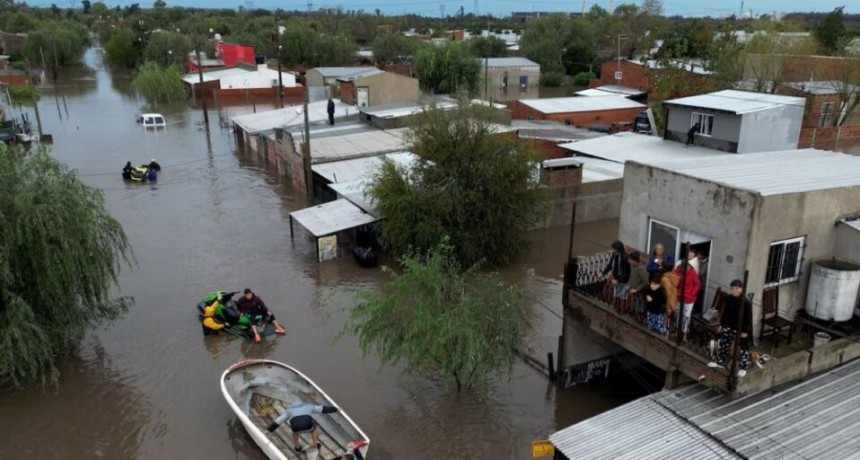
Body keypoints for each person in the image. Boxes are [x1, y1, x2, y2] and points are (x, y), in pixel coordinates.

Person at [708, 279, 754, 378]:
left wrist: (745, 331)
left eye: (736, 288)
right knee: (724, 343)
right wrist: (722, 324)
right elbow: (725, 313)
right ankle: (720, 362)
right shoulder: (729, 298)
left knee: (743, 348)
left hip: (740, 328)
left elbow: (748, 318)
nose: (734, 290)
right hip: (729, 326)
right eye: (732, 288)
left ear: (741, 289)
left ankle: (743, 367)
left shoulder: (746, 303)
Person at [267, 403, 339, 452]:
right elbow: (322, 409)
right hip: (308, 425)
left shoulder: (289, 411)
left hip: (296, 428)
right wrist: (335, 409)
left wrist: (269, 429)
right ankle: (315, 443)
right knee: (314, 428)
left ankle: (297, 447)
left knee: (294, 433)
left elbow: (279, 420)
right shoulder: (308, 406)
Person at [673, 258, 700, 342]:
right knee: (678, 314)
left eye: (686, 268)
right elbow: (673, 281)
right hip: (679, 297)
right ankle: (677, 331)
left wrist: (692, 293)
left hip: (689, 299)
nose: (684, 269)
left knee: (686, 316)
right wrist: (675, 290)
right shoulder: (678, 271)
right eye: (683, 268)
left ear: (689, 266)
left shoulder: (693, 273)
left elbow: (697, 284)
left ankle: (684, 334)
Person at [602, 241, 631, 307]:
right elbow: (610, 265)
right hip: (617, 278)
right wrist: (603, 273)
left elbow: (626, 273)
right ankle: (615, 307)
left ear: (618, 249)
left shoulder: (625, 258)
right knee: (616, 295)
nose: (612, 250)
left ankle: (620, 310)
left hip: (623, 281)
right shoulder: (615, 255)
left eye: (614, 249)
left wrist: (618, 280)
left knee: (621, 297)